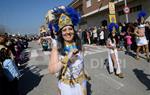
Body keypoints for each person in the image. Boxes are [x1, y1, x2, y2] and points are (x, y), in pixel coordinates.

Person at [48, 6, 88, 95]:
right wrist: (67, 57)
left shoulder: (79, 44)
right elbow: (51, 70)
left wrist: (85, 73)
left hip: (81, 84)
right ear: (61, 33)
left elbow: (81, 63)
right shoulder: (57, 48)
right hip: (68, 87)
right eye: (64, 30)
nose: (68, 32)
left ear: (73, 30)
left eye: (70, 29)